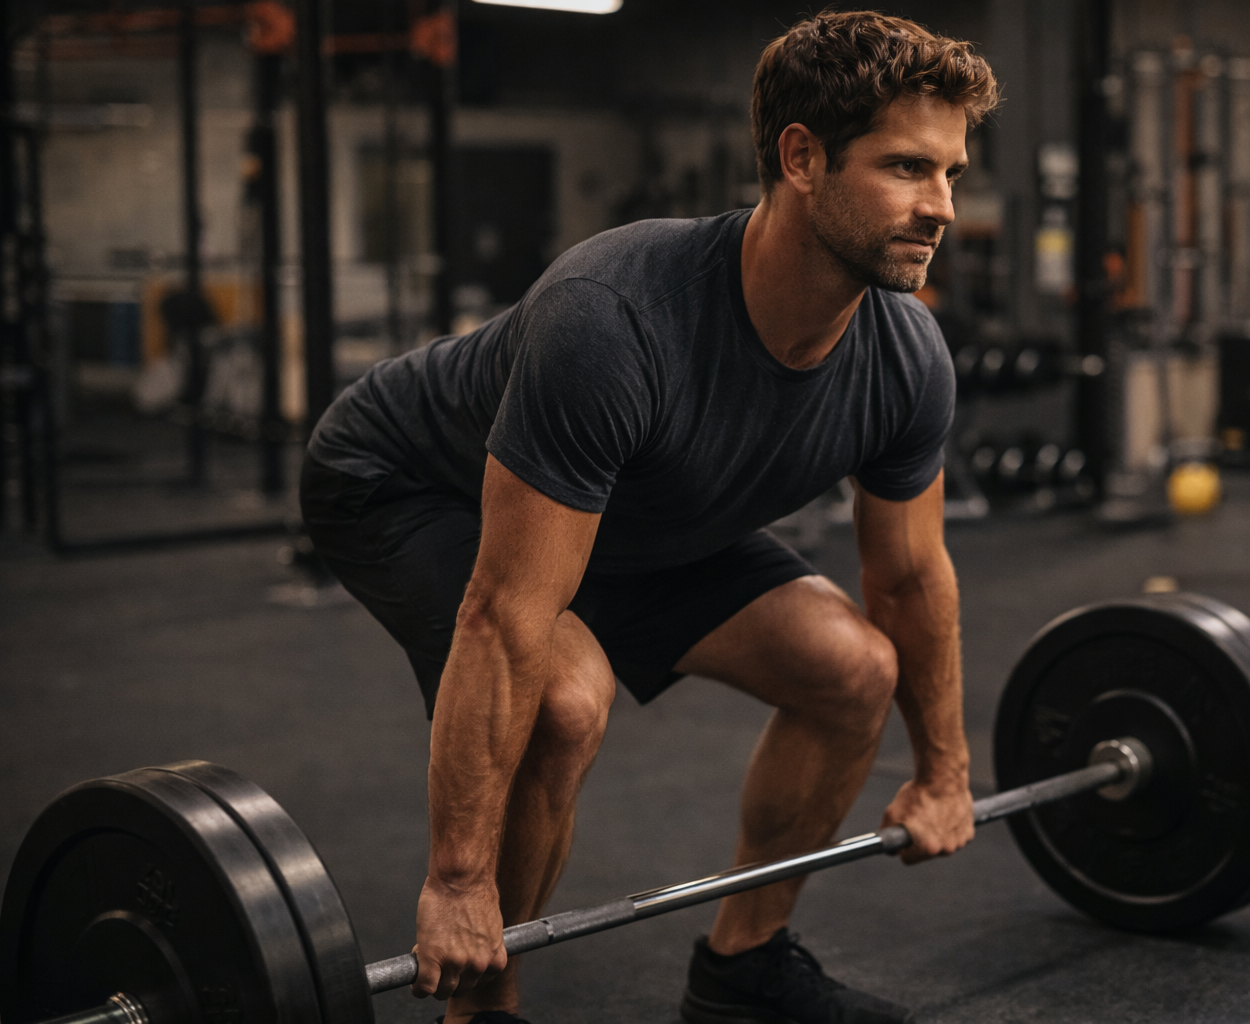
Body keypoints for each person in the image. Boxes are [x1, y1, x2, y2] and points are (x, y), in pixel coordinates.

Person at [301, 12, 998, 1024]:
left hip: (634, 512)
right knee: (562, 701)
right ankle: (481, 1012)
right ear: (801, 158)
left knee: (854, 671)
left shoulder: (903, 357)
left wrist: (943, 769)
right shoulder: (616, 317)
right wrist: (456, 884)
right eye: (905, 168)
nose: (941, 206)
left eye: (951, 173)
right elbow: (503, 612)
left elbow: (909, 578)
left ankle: (744, 971)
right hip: (409, 481)